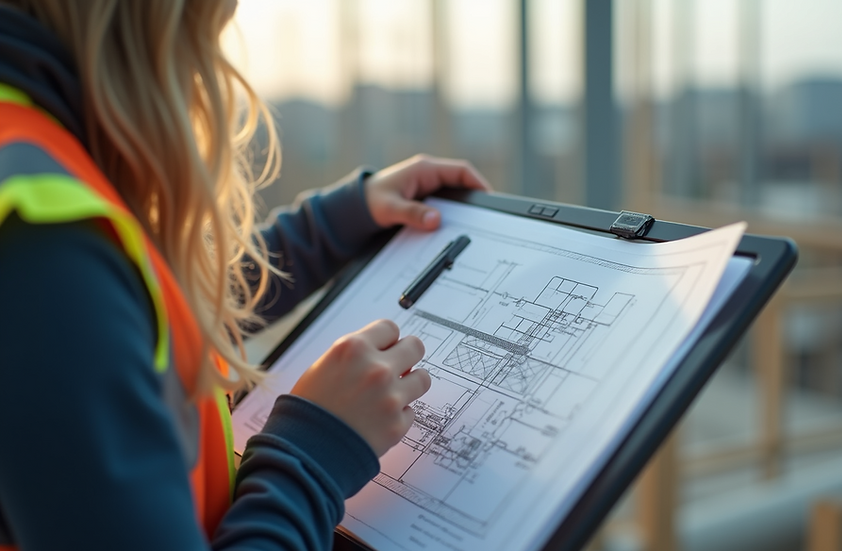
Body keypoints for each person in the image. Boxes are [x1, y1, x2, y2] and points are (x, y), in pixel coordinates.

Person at [0, 1, 490, 549]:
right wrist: (315, 448)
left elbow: (145, 313)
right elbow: (96, 309)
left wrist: (336, 222)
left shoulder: (29, 154)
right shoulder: (45, 251)